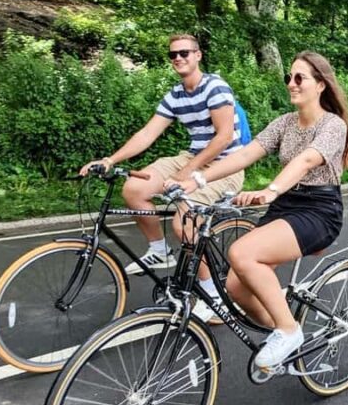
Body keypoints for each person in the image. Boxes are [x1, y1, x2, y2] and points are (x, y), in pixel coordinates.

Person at [166, 51, 348, 369]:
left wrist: (270, 190)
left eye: (300, 78)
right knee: (235, 286)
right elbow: (244, 155)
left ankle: (289, 331)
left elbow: (307, 159)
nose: (291, 84)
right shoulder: (284, 123)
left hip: (319, 210)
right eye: (289, 78)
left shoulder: (332, 125)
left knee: (242, 253)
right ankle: (290, 344)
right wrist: (196, 179)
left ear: (321, 85)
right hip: (286, 205)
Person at [80, 34, 247, 320]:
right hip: (192, 156)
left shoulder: (215, 87)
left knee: (185, 222)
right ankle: (160, 250)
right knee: (134, 188)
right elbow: (147, 133)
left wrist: (187, 173)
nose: (178, 58)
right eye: (173, 55)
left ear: (198, 55)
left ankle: (214, 295)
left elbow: (223, 138)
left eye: (184, 53)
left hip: (227, 164)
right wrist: (110, 160)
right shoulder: (176, 95)